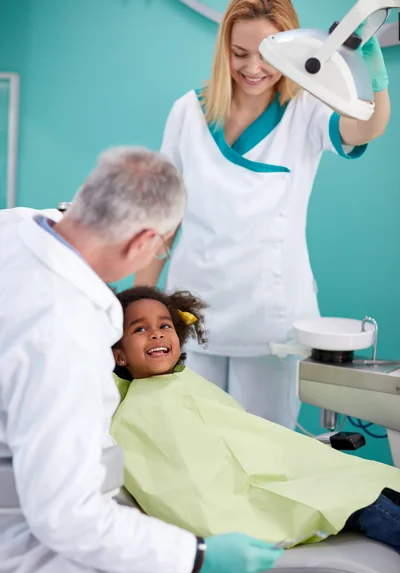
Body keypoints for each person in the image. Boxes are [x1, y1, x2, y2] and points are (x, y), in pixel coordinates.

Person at [0, 147, 283, 573]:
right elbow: (67, 519)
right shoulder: (62, 335)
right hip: (27, 551)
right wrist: (198, 555)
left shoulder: (14, 226)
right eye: (160, 245)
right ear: (139, 244)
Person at [133, 0, 391, 428]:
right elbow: (163, 219)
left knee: (266, 455)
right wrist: (140, 310)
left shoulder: (307, 109)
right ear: (224, 50)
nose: (253, 67)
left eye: (267, 53)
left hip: (272, 322)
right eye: (240, 54)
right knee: (192, 444)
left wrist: (375, 80)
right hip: (191, 315)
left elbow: (366, 128)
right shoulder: (188, 111)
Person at [111, 285, 400, 553]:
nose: (157, 334)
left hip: (278, 480)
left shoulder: (187, 384)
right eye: (140, 329)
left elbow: (245, 437)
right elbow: (183, 489)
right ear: (119, 356)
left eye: (165, 325)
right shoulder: (135, 414)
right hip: (246, 506)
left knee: (368, 482)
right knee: (367, 503)